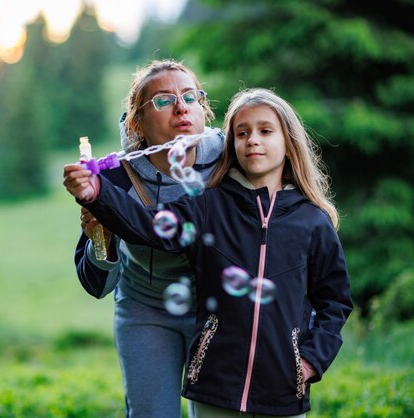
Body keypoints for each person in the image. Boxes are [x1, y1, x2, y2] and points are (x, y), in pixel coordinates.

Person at [63, 88, 353, 417]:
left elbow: (335, 300)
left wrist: (312, 359)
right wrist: (96, 192)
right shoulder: (209, 205)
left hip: (284, 387)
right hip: (215, 385)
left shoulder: (312, 221)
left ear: (289, 143)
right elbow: (150, 225)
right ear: (232, 145)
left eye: (266, 131)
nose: (252, 140)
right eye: (242, 133)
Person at [73, 59, 224, 418]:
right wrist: (102, 235)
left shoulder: (229, 161)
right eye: (162, 100)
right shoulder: (114, 180)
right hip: (147, 310)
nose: (181, 107)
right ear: (136, 122)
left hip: (219, 310)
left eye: (190, 97)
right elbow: (96, 284)